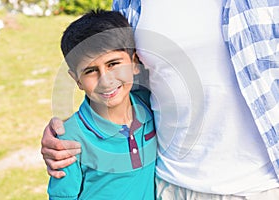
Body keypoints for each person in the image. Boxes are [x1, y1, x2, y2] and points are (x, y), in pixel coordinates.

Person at [42, 0, 279, 199]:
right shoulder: (130, 3)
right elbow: (113, 72)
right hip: (169, 184)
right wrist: (67, 132)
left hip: (257, 185)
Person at [47, 9, 157, 200]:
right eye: (90, 71)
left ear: (134, 63)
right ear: (77, 80)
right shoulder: (70, 139)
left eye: (113, 64)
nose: (105, 80)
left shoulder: (150, 108)